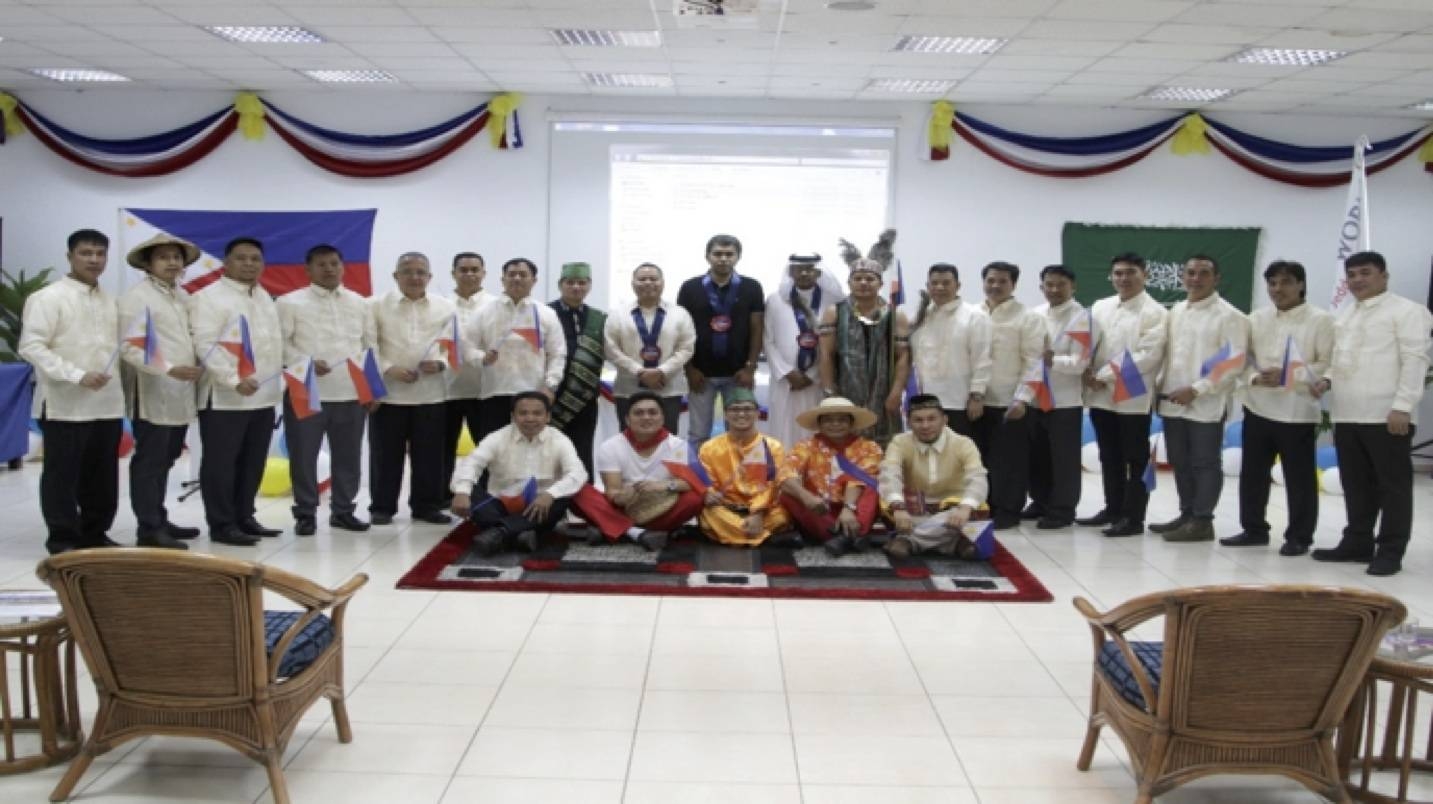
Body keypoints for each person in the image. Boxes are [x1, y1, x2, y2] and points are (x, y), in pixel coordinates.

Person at [1311, 251, 1433, 576]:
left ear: (1384, 276)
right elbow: (1341, 360)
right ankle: (1357, 542)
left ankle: (1391, 550)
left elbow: (1415, 360)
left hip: (1387, 414)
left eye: (1365, 273)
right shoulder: (1347, 314)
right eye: (1352, 275)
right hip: (1347, 412)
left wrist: (1403, 407)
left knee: (1392, 486)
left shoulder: (1408, 312)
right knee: (1356, 484)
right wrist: (1326, 380)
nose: (1357, 280)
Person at [19, 229, 126, 555]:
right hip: (65, 403)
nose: (94, 260)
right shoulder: (48, 298)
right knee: (61, 475)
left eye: (100, 254)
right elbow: (31, 346)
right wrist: (77, 375)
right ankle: (63, 537)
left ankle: (95, 533)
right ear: (70, 257)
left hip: (107, 404)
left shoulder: (112, 302)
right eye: (86, 253)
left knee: (103, 474)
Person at [1221, 260, 1335, 556]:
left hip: (1296, 410)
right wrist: (1256, 377)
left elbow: (1326, 363)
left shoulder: (1321, 320)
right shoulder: (1256, 318)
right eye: (1272, 283)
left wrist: (1289, 375)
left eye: (1285, 282)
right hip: (1257, 406)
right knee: (1253, 474)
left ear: (1301, 284)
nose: (1277, 289)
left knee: (1299, 479)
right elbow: (1241, 359)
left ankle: (1299, 536)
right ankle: (1254, 529)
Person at [189, 237, 285, 546]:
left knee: (253, 460)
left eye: (255, 258)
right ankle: (222, 524)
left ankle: (245, 516)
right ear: (226, 263)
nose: (249, 264)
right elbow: (204, 344)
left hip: (262, 395)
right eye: (241, 258)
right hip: (224, 396)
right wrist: (232, 378)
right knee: (221, 463)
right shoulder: (208, 298)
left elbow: (273, 345)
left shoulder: (265, 297)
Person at [277, 243, 377, 536]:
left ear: (343, 267)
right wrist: (303, 362)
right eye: (321, 264)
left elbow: (369, 346)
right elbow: (280, 343)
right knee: (303, 456)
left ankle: (343, 511)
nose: (329, 269)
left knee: (348, 456)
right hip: (306, 389)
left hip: (350, 391)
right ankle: (305, 513)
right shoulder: (289, 302)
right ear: (308, 270)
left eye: (334, 263)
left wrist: (371, 389)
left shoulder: (360, 303)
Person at [1153, 255, 1249, 543]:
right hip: (1172, 399)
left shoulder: (1230, 316)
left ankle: (1203, 521)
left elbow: (1233, 362)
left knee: (1205, 463)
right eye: (1190, 273)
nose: (1196, 278)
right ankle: (1187, 514)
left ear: (1216, 278)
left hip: (1205, 402)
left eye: (1203, 273)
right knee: (1179, 462)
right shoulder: (1177, 310)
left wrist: (1197, 389)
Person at [117, 233, 204, 550]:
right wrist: (168, 369)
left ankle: (160, 517)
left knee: (167, 458)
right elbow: (128, 346)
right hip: (152, 390)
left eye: (176, 257)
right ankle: (149, 528)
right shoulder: (137, 298)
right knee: (150, 462)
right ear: (148, 264)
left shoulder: (182, 297)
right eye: (164, 257)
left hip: (181, 392)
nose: (172, 263)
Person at [1078, 253, 1168, 538]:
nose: (1123, 279)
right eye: (1117, 273)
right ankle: (1113, 508)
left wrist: (1102, 375)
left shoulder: (1156, 313)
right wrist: (1086, 371)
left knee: (1135, 459)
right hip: (1101, 395)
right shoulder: (1101, 307)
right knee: (1109, 455)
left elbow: (1148, 355)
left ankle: (1134, 517)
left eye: (1130, 272)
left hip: (1132, 395)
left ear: (1145, 275)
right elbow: (1087, 345)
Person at [368, 252, 454, 526]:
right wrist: (388, 368)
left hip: (431, 394)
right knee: (385, 455)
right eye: (407, 271)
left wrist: (440, 363)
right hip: (388, 393)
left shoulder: (445, 307)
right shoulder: (374, 306)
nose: (414, 277)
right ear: (395, 276)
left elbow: (451, 345)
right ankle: (382, 507)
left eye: (420, 272)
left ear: (429, 277)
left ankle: (426, 506)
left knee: (430, 455)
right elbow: (366, 345)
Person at [451, 391, 587, 556]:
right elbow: (471, 463)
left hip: (539, 509)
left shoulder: (560, 440)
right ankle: (519, 534)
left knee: (564, 497)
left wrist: (550, 494)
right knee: (468, 490)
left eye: (537, 413)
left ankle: (499, 533)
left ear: (548, 417)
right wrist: (462, 492)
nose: (530, 418)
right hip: (499, 506)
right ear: (513, 416)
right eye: (523, 413)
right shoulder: (497, 437)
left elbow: (578, 473)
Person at [570, 391, 704, 551]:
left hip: (660, 510)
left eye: (652, 413)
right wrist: (620, 497)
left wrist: (664, 485)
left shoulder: (677, 446)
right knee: (576, 490)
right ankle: (637, 533)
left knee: (694, 499)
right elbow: (612, 491)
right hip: (622, 509)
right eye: (639, 413)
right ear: (627, 419)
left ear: (662, 418)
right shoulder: (611, 446)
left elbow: (691, 483)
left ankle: (610, 527)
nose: (646, 417)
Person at [818, 230, 910, 447]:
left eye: (870, 278)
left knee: (887, 449)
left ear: (880, 284)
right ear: (849, 283)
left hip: (884, 394)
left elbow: (903, 357)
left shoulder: (895, 315)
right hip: (846, 391)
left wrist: (896, 392)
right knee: (844, 445)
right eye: (858, 278)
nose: (864, 283)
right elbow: (825, 354)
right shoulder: (835, 312)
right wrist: (830, 392)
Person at [676, 234, 765, 448]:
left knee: (740, 432)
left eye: (729, 254)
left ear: (738, 257)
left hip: (738, 374)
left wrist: (750, 368)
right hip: (701, 374)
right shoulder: (690, 287)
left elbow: (757, 328)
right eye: (717, 254)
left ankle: (739, 480)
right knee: (698, 433)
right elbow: (681, 331)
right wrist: (689, 369)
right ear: (707, 256)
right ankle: (698, 481)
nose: (723, 258)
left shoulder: (751, 287)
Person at [469, 257, 565, 450]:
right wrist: (482, 357)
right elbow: (467, 348)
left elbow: (558, 354)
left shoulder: (546, 313)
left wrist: (550, 386)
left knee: (531, 451)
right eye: (511, 274)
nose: (517, 278)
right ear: (502, 279)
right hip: (494, 392)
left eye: (523, 274)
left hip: (533, 393)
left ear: (534, 280)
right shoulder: (484, 311)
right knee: (493, 452)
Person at [976, 261, 1045, 528]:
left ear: (1013, 285)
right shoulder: (973, 313)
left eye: (1002, 281)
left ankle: (1009, 510)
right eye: (990, 280)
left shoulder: (1028, 318)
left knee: (1011, 461)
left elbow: (1034, 362)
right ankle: (987, 504)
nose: (995, 286)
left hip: (1010, 401)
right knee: (982, 458)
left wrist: (1023, 398)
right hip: (978, 400)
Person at [879, 394, 988, 559]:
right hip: (912, 512)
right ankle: (954, 543)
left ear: (944, 420)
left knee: (975, 507)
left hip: (953, 512)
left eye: (932, 419)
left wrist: (964, 508)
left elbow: (978, 478)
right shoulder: (899, 443)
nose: (925, 425)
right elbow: (889, 475)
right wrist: (899, 508)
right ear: (908, 422)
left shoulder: (963, 443)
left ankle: (909, 541)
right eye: (918, 420)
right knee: (886, 503)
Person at [1025, 265, 1090, 529]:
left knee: (1063, 459)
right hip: (1034, 397)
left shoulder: (1082, 317)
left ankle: (1063, 510)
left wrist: (1053, 360)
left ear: (1072, 287)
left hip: (1064, 400)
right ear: (1041, 287)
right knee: (1037, 455)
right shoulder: (1035, 314)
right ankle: (1040, 501)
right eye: (1048, 285)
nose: (1054, 290)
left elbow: (1080, 362)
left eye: (1060, 285)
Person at [776, 396, 883, 557]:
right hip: (821, 509)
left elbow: (859, 480)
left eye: (841, 420)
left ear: (851, 423)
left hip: (855, 508)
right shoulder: (805, 446)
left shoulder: (869, 447)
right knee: (787, 495)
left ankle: (842, 537)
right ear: (819, 424)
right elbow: (785, 475)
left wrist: (848, 508)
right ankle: (851, 537)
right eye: (829, 420)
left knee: (872, 487)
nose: (835, 424)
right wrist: (807, 497)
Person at [762, 253, 845, 450]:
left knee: (814, 427)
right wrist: (787, 372)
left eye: (810, 268)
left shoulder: (832, 302)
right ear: (791, 271)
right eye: (799, 269)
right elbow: (767, 339)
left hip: (816, 381)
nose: (805, 273)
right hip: (785, 381)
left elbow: (836, 343)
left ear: (818, 272)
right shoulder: (776, 300)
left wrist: (812, 374)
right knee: (782, 429)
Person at [604, 262, 695, 433]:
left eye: (653, 278)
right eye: (642, 279)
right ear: (633, 283)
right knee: (629, 440)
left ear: (663, 282)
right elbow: (611, 349)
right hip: (628, 389)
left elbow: (686, 348)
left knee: (666, 441)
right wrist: (640, 371)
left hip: (668, 389)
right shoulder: (618, 314)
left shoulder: (679, 313)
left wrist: (661, 371)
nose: (648, 283)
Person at [697, 388, 791, 546]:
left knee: (782, 515)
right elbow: (707, 483)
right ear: (726, 414)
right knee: (709, 515)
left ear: (757, 414)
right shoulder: (710, 447)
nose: (741, 414)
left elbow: (772, 485)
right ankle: (765, 537)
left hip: (764, 510)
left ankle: (737, 534)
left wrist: (757, 513)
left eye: (747, 409)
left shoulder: (773, 446)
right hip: (726, 508)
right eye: (735, 409)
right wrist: (709, 494)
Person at [908, 262, 990, 439]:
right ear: (927, 286)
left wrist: (977, 396)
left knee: (958, 456)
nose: (940, 287)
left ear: (957, 286)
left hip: (959, 401)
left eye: (946, 283)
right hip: (924, 402)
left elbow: (983, 358)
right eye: (934, 283)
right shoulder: (922, 316)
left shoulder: (974, 315)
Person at [548, 262, 606, 480]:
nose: (576, 287)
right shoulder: (545, 313)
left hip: (585, 396)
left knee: (583, 448)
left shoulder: (598, 318)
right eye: (570, 282)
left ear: (589, 285)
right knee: (551, 451)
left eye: (581, 282)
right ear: (560, 285)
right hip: (551, 394)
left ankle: (585, 501)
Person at [443, 251, 488, 504]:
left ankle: (482, 495)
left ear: (484, 273)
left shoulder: (495, 304)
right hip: (445, 388)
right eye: (463, 269)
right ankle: (441, 496)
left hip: (484, 389)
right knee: (442, 449)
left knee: (486, 448)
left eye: (475, 269)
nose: (469, 274)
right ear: (453, 273)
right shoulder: (439, 304)